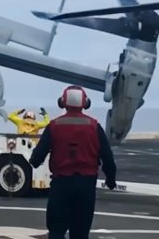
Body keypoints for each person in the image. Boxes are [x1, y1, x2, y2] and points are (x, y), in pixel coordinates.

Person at [29, 85, 117, 239]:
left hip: (61, 184)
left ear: (62, 102)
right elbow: (107, 157)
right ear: (85, 103)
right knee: (81, 232)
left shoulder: (54, 126)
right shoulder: (94, 127)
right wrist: (111, 179)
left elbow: (37, 157)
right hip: (86, 186)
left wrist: (34, 161)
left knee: (56, 231)